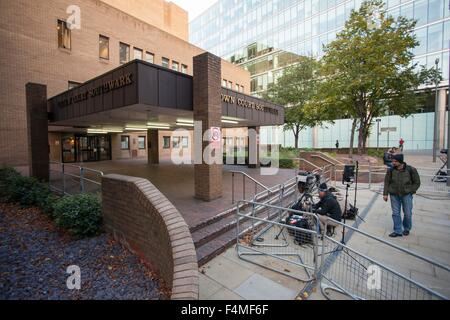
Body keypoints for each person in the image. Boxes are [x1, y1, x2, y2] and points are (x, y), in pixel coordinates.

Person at [383, 153, 421, 237]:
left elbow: (417, 182)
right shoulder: (391, 170)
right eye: (392, 161)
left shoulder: (411, 169)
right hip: (394, 194)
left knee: (407, 213)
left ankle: (406, 228)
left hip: (406, 195)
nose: (393, 163)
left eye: (395, 161)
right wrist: (385, 194)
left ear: (400, 161)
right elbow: (386, 182)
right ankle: (398, 230)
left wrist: (411, 191)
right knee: (396, 213)